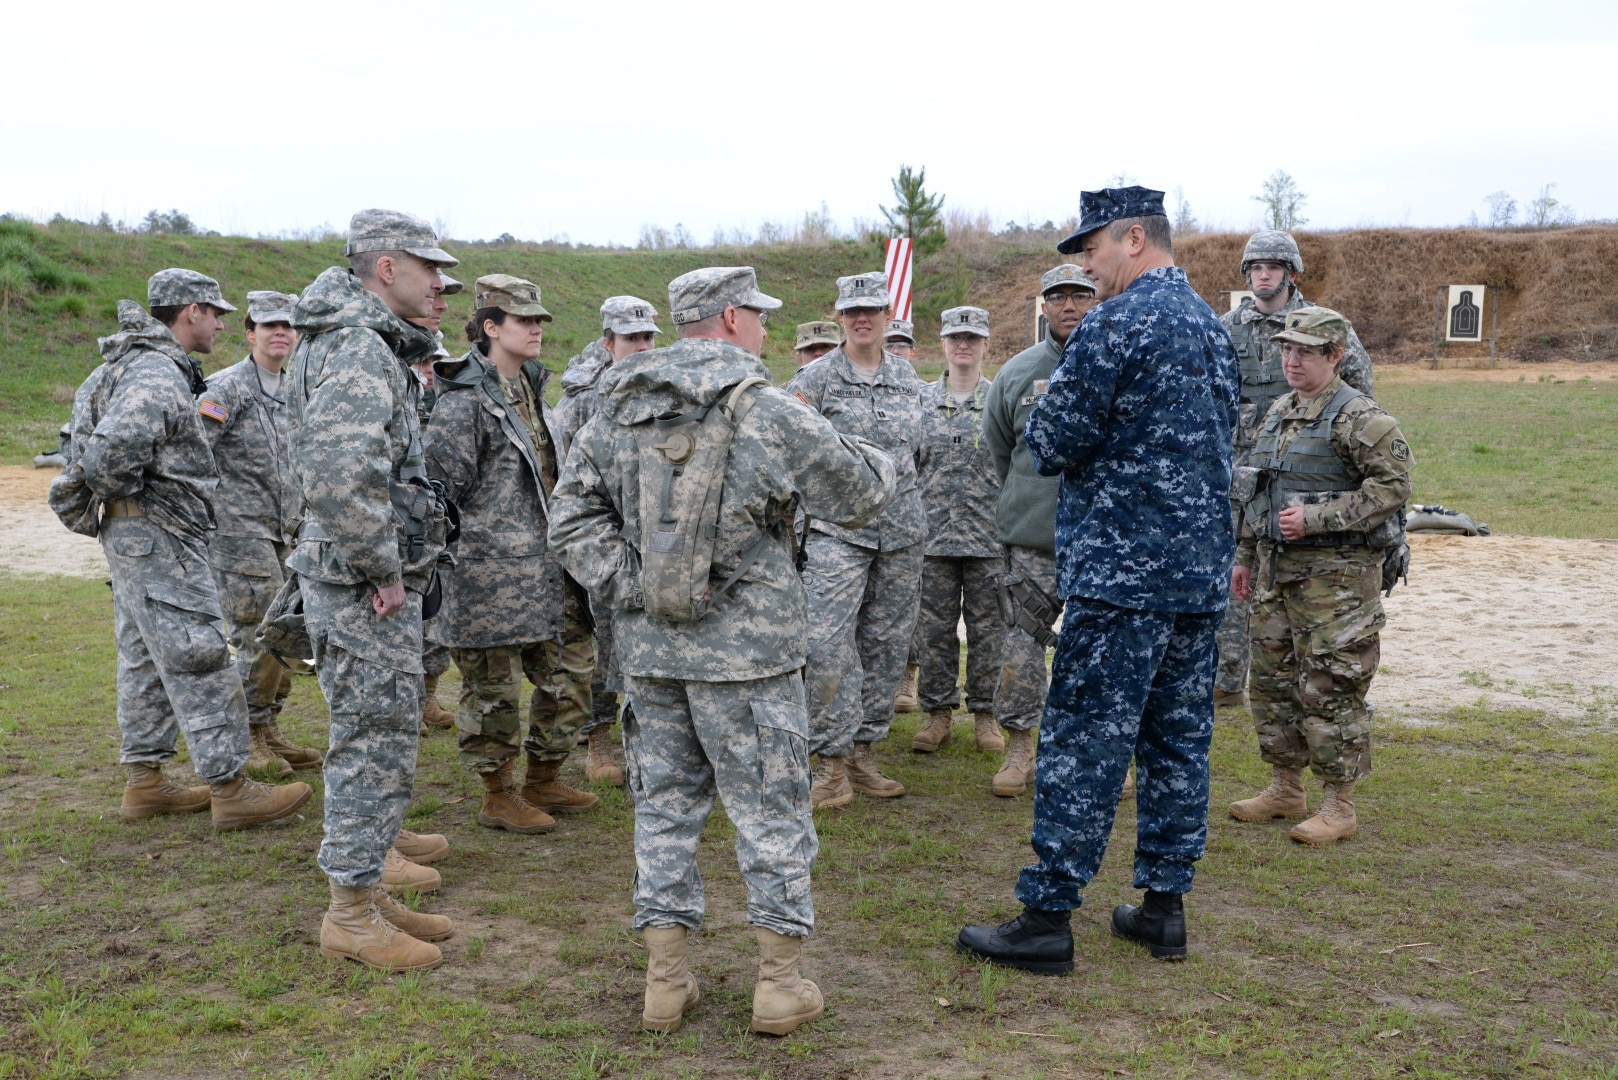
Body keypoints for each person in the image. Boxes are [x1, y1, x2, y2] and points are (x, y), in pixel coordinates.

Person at [549, 266, 896, 1036]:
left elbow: (570, 525)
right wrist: (856, 443)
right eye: (761, 317)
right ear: (733, 319)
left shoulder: (616, 409)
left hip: (653, 657)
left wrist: (640, 589)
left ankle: (665, 984)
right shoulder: (768, 408)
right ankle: (777, 985)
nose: (767, 330)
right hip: (752, 663)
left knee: (665, 813)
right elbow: (864, 495)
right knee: (771, 814)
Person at [958, 186, 1239, 972]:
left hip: (1122, 577)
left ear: (1136, 239)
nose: (1086, 264)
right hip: (1197, 576)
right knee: (1178, 743)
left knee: (1084, 739)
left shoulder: (1117, 323)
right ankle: (1163, 910)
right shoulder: (1212, 330)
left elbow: (1051, 438)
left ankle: (1047, 917)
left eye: (1094, 248)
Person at [49, 269, 314, 831]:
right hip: (159, 538)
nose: (221, 321)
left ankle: (145, 781)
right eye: (215, 311)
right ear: (189, 311)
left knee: (145, 655)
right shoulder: (156, 372)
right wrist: (148, 507)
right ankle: (230, 787)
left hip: (138, 535)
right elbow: (105, 459)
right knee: (199, 654)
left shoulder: (128, 365)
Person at [287, 209, 458, 971]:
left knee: (378, 732)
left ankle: (364, 890)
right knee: (372, 738)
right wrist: (382, 567)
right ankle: (350, 912)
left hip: (356, 576)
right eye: (429, 268)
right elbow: (343, 473)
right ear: (386, 267)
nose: (439, 282)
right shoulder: (357, 347)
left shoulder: (357, 341)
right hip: (362, 585)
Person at [1228, 307, 1411, 846]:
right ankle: (1286, 787)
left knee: (1331, 687)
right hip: (1275, 576)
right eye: (1287, 350)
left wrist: (1317, 518)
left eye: (1305, 352)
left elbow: (1392, 488)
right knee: (1272, 685)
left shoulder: (1361, 418)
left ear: (1334, 357)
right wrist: (1243, 556)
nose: (1292, 360)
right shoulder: (1279, 412)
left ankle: (1340, 804)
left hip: (1337, 586)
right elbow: (1254, 492)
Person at [423, 274, 599, 834]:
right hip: (487, 577)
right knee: (493, 693)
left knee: (572, 677)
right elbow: (440, 493)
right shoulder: (463, 400)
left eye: (540, 321)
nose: (537, 330)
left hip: (550, 568)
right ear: (491, 327)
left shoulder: (532, 388)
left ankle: (544, 776)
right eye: (525, 321)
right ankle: (498, 793)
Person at [1215, 231, 1374, 708]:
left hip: (1306, 471)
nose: (1263, 274)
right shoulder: (1224, 328)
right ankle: (1226, 681)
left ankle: (1315, 680)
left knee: (1300, 577)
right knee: (1233, 573)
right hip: (1240, 473)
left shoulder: (1324, 326)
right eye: (1255, 266)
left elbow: (1361, 392)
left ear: (1290, 272)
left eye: (1273, 266)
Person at [786, 272, 925, 808]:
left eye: (872, 309)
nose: (862, 318)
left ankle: (864, 753)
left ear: (887, 315)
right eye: (851, 311)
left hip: (902, 533)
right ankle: (830, 762)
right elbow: (789, 452)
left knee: (887, 647)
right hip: (836, 534)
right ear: (840, 316)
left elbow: (922, 457)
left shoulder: (912, 383)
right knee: (825, 643)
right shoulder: (814, 380)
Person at [196, 289, 323, 778]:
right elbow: (194, 453)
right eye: (269, 325)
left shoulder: (301, 387)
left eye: (289, 326)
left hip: (290, 530)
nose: (280, 333)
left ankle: (269, 726)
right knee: (258, 630)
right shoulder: (225, 389)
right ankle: (248, 734)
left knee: (290, 627)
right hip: (239, 532)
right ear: (250, 333)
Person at [981, 264, 1095, 798]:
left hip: (1104, 542)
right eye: (1058, 297)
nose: (1069, 305)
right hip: (1033, 538)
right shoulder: (1018, 372)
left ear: (1096, 301)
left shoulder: (1116, 365)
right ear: (1044, 306)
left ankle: (1096, 756)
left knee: (1101, 651)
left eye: (1080, 295)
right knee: (1021, 645)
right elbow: (1000, 449)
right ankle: (1020, 748)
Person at [554, 296, 663, 786]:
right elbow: (565, 478)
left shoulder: (666, 390)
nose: (640, 346)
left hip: (657, 539)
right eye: (629, 338)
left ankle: (653, 733)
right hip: (603, 538)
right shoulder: (582, 399)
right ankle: (598, 738)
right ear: (607, 342)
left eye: (647, 337)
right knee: (602, 644)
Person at [909, 306, 1008, 760]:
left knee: (990, 631)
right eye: (955, 338)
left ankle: (986, 714)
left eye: (972, 337)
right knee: (934, 631)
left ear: (986, 344)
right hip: (932, 539)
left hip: (989, 538)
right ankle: (938, 714)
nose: (963, 345)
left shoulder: (1001, 400)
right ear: (943, 344)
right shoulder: (920, 401)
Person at [409, 272, 463, 734]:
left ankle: (426, 698)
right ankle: (409, 704)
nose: (429, 373)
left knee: (436, 621)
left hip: (439, 526)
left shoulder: (442, 402)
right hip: (408, 529)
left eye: (434, 365)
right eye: (424, 365)